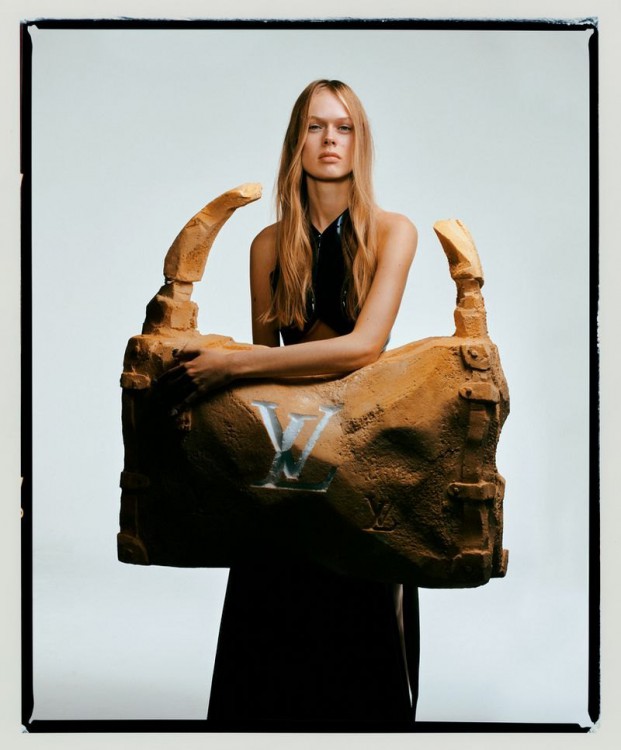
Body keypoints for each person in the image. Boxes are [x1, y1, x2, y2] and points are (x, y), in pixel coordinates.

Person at [166, 80, 419, 731]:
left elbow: (363, 348)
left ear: (359, 142)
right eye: (315, 126)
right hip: (288, 448)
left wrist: (230, 363)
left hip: (360, 446)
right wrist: (211, 382)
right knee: (268, 617)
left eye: (343, 127)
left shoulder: (393, 232)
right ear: (295, 142)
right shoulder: (267, 244)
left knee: (362, 628)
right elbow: (268, 370)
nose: (330, 140)